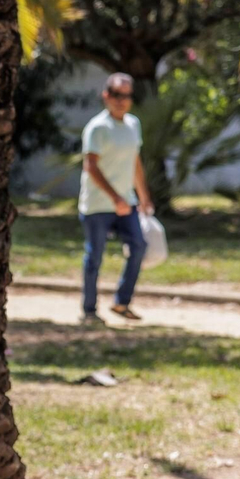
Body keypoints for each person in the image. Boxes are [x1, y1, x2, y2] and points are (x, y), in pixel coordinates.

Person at [78, 72, 155, 325]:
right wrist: (114, 198)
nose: (122, 101)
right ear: (106, 96)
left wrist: (143, 197)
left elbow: (135, 162)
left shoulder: (133, 124)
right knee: (95, 256)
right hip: (98, 204)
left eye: (126, 96)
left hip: (127, 202)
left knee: (139, 247)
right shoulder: (97, 128)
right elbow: (91, 166)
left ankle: (122, 302)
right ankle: (89, 310)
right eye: (117, 95)